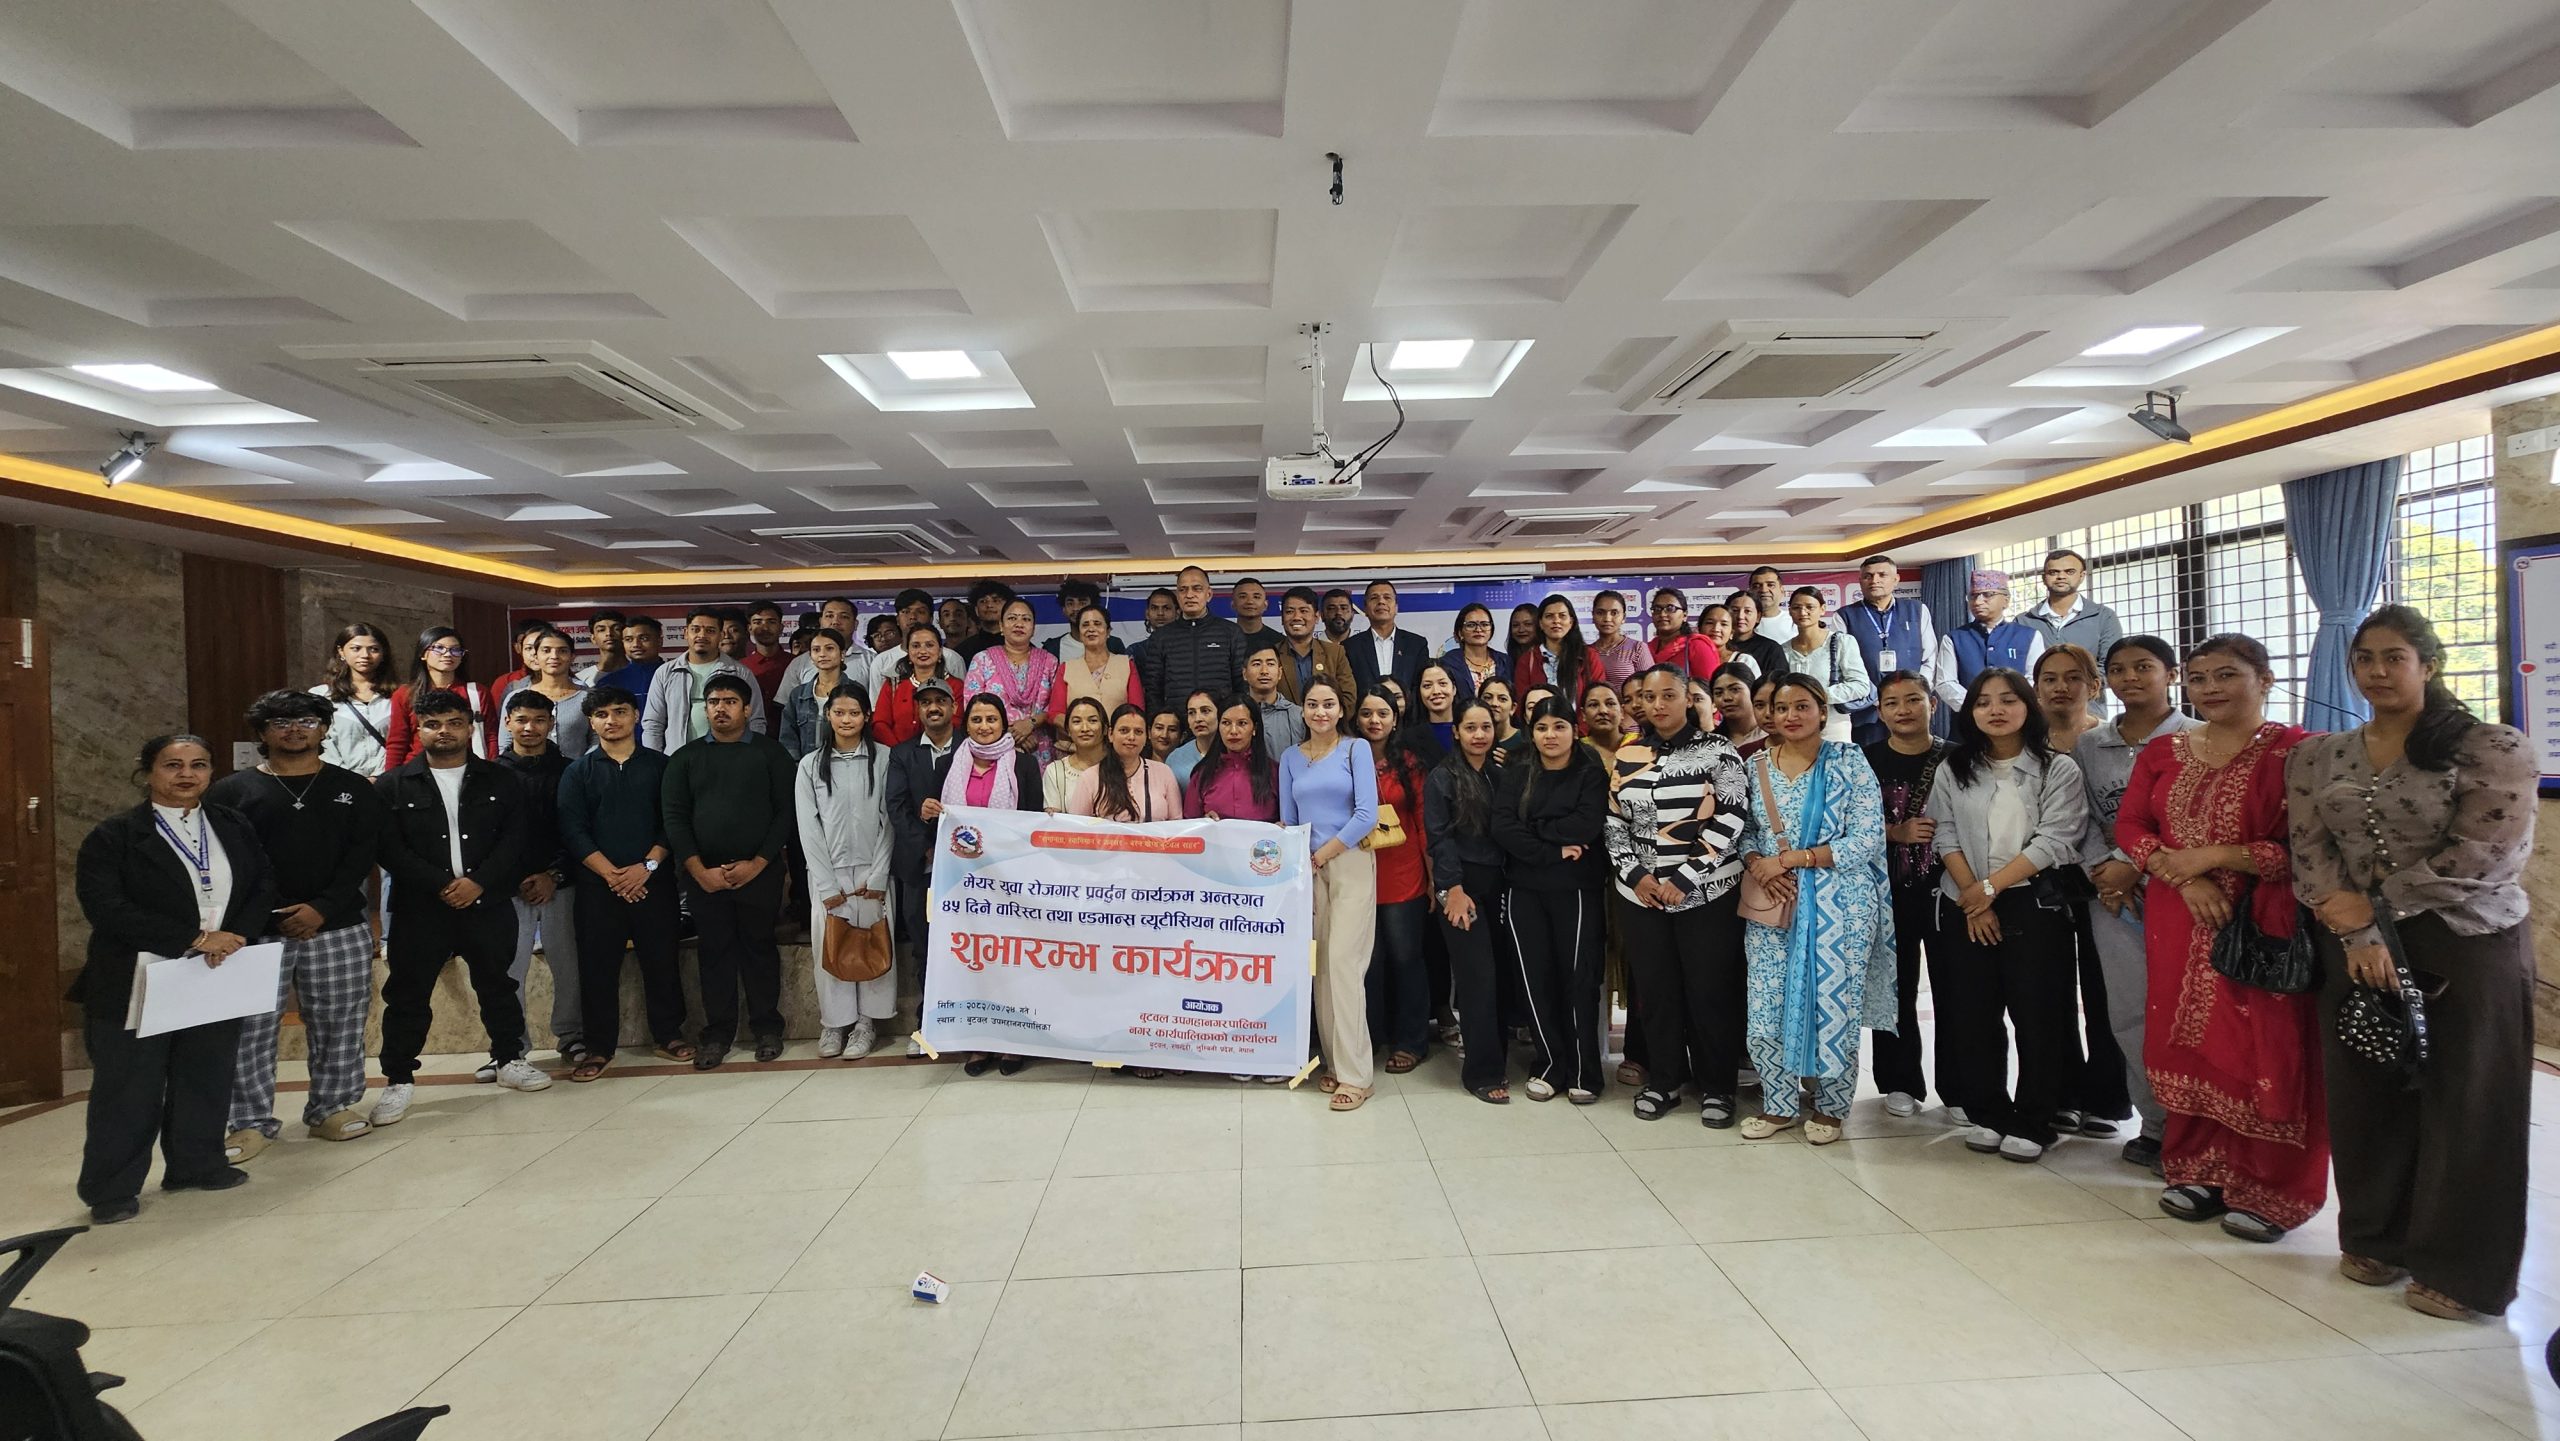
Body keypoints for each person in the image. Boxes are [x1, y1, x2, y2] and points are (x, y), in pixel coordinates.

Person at [2289, 605, 2537, 1320]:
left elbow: (2486, 855)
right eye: (2364, 658)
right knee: (2367, 1089)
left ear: (2428, 664)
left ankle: (2461, 1270)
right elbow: (2309, 849)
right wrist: (2356, 932)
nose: (2376, 671)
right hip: (2352, 943)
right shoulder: (2319, 754)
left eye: (2393, 657)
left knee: (2469, 1100)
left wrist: (2376, 907)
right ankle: (2376, 1238)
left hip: (2462, 938)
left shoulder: (2489, 746)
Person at [2117, 633, 2323, 1242]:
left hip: (2264, 920)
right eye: (2200, 677)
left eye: (2227, 675)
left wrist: (2217, 856)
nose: (2210, 688)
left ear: (2265, 679)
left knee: (2264, 1047)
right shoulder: (2165, 752)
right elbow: (2132, 825)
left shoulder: (2300, 752)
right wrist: (2181, 874)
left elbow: (2312, 846)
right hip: (2178, 916)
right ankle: (2200, 1168)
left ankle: (2273, 1188)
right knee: (2186, 1039)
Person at [72, 733, 276, 1223]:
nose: (187, 775)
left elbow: (262, 883)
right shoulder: (115, 835)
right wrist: (194, 937)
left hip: (216, 969)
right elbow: (107, 908)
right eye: (173, 765)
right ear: (148, 772)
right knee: (130, 1087)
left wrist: (236, 936)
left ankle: (196, 1165)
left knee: (206, 1073)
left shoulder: (232, 823)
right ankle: (111, 1190)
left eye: (199, 765)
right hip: (139, 976)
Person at [206, 691, 383, 1158]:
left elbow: (361, 856)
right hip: (253, 930)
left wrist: (321, 907)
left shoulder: (353, 787)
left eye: (306, 720)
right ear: (262, 733)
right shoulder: (231, 792)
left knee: (339, 1020)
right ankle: (249, 1122)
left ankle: (332, 1107)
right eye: (280, 722)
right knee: (250, 1027)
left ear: (323, 729)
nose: (294, 729)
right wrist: (265, 914)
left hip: (336, 923)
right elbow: (227, 863)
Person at [1925, 668, 2091, 1162]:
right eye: (1983, 702)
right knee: (1974, 1014)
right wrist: (1973, 895)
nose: (1995, 710)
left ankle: (2036, 1119)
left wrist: (1990, 888)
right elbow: (1943, 833)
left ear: (2028, 705)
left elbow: (2056, 839)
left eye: (2008, 699)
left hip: (2031, 901)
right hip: (1965, 899)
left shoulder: (2058, 768)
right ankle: (1989, 1112)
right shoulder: (1954, 767)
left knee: (2037, 1013)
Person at [373, 688, 544, 1128]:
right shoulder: (394, 785)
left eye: (453, 723)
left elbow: (516, 840)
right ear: (418, 730)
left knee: (498, 984)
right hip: (420, 908)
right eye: (432, 725)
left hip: (487, 902)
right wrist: (442, 884)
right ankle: (398, 1079)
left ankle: (509, 1058)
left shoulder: (503, 781)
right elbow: (389, 848)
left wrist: (478, 882)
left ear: (470, 728)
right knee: (407, 994)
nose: (443, 732)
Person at [1737, 673, 1894, 1144]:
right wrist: (1759, 864)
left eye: (1802, 706)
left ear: (1823, 711)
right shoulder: (1756, 767)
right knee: (1766, 1006)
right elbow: (1746, 832)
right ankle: (1778, 1103)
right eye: (1781, 708)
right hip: (1775, 902)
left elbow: (1867, 838)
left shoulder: (1849, 761)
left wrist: (1791, 860)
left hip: (1841, 906)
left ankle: (1831, 1107)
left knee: (1833, 1005)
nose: (1791, 716)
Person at [1609, 664, 1750, 1126]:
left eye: (1668, 695)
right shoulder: (1629, 753)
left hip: (1706, 894)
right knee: (1657, 991)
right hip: (1642, 897)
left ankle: (1718, 1086)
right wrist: (1635, 875)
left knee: (1709, 991)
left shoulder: (1718, 751)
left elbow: (1731, 818)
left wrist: (1685, 877)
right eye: (1649, 697)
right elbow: (1614, 821)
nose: (1657, 705)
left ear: (1688, 699)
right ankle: (1665, 1079)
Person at [2076, 636, 2196, 1172]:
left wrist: (2135, 863)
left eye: (2143, 667)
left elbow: (2192, 820)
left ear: (2172, 674)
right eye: (2119, 669)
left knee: (2187, 1009)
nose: (2130, 678)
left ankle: (2198, 1128)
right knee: (2129, 1010)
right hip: (2111, 896)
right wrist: (2105, 871)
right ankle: (2156, 1124)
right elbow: (2079, 816)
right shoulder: (2091, 744)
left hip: (2181, 889)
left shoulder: (2196, 739)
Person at [557, 684, 690, 1079]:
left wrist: (645, 868)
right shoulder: (578, 771)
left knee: (662, 961)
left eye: (619, 712)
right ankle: (598, 1047)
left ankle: (669, 1035)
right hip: (598, 888)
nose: (611, 721)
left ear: (635, 716)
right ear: (591, 722)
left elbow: (673, 822)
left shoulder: (662, 766)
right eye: (601, 715)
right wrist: (611, 875)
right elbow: (572, 828)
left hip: (653, 882)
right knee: (597, 967)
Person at [663, 672, 796, 1068]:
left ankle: (767, 1029)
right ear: (705, 710)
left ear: (747, 709)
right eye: (714, 702)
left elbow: (785, 813)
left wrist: (758, 863)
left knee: (759, 949)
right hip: (704, 876)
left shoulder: (770, 754)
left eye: (730, 702)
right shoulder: (685, 758)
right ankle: (717, 1034)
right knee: (714, 953)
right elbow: (675, 818)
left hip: (760, 872)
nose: (721, 709)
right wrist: (698, 870)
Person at [1493, 695, 1610, 1103]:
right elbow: (1503, 826)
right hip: (1524, 888)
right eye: (1542, 728)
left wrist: (1535, 828)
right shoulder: (1518, 772)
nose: (1550, 735)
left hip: (1576, 889)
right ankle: (1548, 1065)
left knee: (1578, 980)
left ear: (1574, 730)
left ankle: (1583, 1071)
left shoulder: (1590, 772)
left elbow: (1586, 824)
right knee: (1534, 980)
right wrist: (1553, 849)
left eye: (1559, 726)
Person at [933, 694, 1046, 1076]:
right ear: (966, 724)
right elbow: (935, 817)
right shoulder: (948, 764)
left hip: (1010, 881)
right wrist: (928, 811)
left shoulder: (1024, 764)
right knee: (975, 959)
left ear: (1003, 723)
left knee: (1011, 959)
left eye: (992, 719)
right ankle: (980, 1040)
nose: (984, 726)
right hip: (963, 884)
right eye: (977, 719)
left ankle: (1014, 1041)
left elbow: (1032, 820)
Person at [1279, 680, 1379, 1110]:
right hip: (1309, 869)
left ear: (1341, 711)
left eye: (1329, 704)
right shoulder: (1290, 758)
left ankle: (1358, 1076)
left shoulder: (1356, 750)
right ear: (1302, 710)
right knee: (1320, 964)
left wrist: (1325, 852)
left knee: (1344, 963)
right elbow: (1288, 819)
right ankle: (1337, 1065)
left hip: (1349, 860)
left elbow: (1366, 814)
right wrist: (1300, 855)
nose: (1320, 711)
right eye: (1312, 704)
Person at [795, 683, 895, 1061]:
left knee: (874, 944)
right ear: (828, 716)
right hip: (830, 872)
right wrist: (826, 883)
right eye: (839, 713)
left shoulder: (883, 759)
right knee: (832, 946)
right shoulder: (810, 765)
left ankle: (867, 1023)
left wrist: (879, 876)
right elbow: (808, 827)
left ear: (867, 716)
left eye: (854, 713)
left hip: (872, 871)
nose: (847, 720)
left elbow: (890, 821)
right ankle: (834, 1023)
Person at [1864, 671, 1948, 1119]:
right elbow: (1846, 825)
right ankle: (1899, 1081)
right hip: (1886, 895)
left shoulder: (1957, 758)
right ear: (1879, 712)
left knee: (1959, 990)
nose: (1903, 710)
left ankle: (1962, 1088)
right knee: (1894, 989)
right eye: (1892, 703)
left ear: (1932, 704)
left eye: (1913, 699)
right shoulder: (1865, 759)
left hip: (1949, 894)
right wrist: (1894, 833)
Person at [1425, 700, 1509, 1102]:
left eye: (1486, 727)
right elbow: (1439, 837)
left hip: (1503, 884)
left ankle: (1499, 1059)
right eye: (1470, 727)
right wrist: (1452, 889)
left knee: (1501, 977)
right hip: (1461, 887)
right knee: (1477, 979)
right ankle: (1481, 1073)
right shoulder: (1442, 777)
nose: (1479, 735)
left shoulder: (1501, 774)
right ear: (1456, 732)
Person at [497, 689, 582, 1073]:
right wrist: (515, 877)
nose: (529, 727)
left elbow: (577, 830)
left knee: (568, 966)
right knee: (509, 971)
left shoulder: (570, 771)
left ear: (551, 724)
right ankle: (509, 1049)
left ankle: (573, 1037)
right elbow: (488, 836)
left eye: (539, 720)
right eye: (521, 720)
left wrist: (554, 874)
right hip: (508, 889)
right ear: (508, 722)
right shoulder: (490, 775)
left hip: (561, 884)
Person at [1352, 685, 1434, 1074]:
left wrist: (1434, 877)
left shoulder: (1410, 763)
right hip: (1356, 872)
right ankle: (1371, 1036)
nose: (1374, 721)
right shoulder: (1343, 759)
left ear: (1395, 718)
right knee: (1368, 962)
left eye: (1382, 713)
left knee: (1406, 958)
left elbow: (1424, 820)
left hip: (1403, 873)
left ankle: (1412, 1040)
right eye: (1366, 713)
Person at [882, 678, 958, 1039]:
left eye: (940, 700)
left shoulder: (971, 748)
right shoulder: (902, 753)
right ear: (917, 710)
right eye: (925, 702)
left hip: (967, 868)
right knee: (926, 948)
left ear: (953, 706)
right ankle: (928, 1023)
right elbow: (896, 807)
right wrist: (928, 848)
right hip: (921, 866)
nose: (933, 707)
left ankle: (972, 1024)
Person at [1838, 556, 1942, 746]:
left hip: (1911, 708)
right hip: (1868, 711)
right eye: (1868, 576)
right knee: (1871, 760)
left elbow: (1930, 658)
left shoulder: (1916, 610)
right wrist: (1877, 698)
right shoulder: (1845, 615)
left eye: (1882, 575)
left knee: (1915, 757)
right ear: (1860, 581)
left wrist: (1916, 692)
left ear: (1896, 579)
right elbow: (1841, 665)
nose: (1874, 580)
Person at [642, 608, 768, 751]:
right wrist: (656, 759)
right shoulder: (665, 673)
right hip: (677, 758)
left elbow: (756, 721)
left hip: (727, 758)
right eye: (695, 630)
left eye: (710, 631)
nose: (702, 635)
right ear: (686, 633)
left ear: (721, 635)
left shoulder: (740, 673)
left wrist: (748, 755)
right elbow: (653, 724)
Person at [2020, 551, 2121, 716]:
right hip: (2039, 716)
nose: (2061, 576)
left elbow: (2111, 666)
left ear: (2082, 576)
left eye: (2069, 571)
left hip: (2090, 714)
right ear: (2044, 578)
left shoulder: (2103, 616)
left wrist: (2077, 686)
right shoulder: (2024, 621)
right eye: (2054, 572)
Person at [963, 596, 1066, 758]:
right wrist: (1010, 733)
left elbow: (1056, 706)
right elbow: (972, 706)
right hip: (995, 744)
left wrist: (1030, 724)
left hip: (1039, 746)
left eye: (1026, 619)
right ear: (1001, 626)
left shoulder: (1049, 662)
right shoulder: (982, 660)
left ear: (1033, 628)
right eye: (1012, 618)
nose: (1019, 624)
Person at [1139, 565, 1245, 713]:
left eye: (1197, 589)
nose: (1189, 595)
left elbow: (1241, 684)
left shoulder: (1230, 632)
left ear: (1209, 594)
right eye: (1183, 590)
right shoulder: (1161, 637)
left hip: (1220, 720)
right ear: (1177, 596)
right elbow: (1153, 690)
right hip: (1176, 722)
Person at [1935, 570, 2045, 711]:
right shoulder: (1954, 638)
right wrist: (1976, 705)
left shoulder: (2029, 636)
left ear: (2006, 600)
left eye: (1987, 595)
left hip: (2017, 716)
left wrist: (2010, 704)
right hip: (1968, 718)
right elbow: (1945, 682)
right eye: (1973, 596)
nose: (1978, 602)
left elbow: (2035, 678)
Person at [383, 626, 495, 766]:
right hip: (418, 769)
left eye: (455, 650)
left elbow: (490, 736)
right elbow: (397, 742)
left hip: (465, 768)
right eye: (439, 648)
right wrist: (391, 776)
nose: (448, 654)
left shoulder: (477, 692)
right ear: (423, 654)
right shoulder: (405, 694)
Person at [1778, 587, 1874, 743]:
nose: (1803, 612)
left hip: (1833, 726)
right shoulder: (1783, 650)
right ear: (1789, 611)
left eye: (1810, 607)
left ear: (1822, 609)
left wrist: (1819, 695)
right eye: (1796, 607)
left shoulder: (1842, 642)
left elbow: (1861, 685)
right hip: (1794, 726)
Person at [1069, 703, 1183, 822]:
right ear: (1110, 734)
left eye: (1138, 732)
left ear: (1147, 736)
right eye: (1124, 731)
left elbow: (1177, 823)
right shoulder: (1090, 777)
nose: (1131, 737)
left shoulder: (1164, 773)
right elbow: (1075, 826)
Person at [314, 621, 398, 777]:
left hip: (388, 781)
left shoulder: (399, 695)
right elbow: (320, 742)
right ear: (341, 652)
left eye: (373, 649)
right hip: (337, 780)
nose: (365, 655)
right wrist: (351, 779)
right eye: (356, 648)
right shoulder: (321, 695)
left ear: (383, 654)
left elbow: (403, 743)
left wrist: (381, 776)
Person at [1187, 695, 1279, 822]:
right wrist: (1203, 821)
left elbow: (1288, 821)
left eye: (1242, 723)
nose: (1233, 731)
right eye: (1226, 723)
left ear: (1255, 728)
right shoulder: (1202, 774)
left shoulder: (1275, 772)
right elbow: (1189, 824)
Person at [504, 626, 591, 758]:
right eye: (546, 650)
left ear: (572, 657)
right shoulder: (516, 696)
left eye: (562, 651)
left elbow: (596, 740)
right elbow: (505, 742)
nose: (554, 656)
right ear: (536, 656)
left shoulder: (588, 697)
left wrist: (581, 767)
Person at [873, 622, 959, 748]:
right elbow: (880, 724)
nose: (922, 651)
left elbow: (957, 723)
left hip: (944, 753)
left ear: (940, 651)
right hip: (896, 754)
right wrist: (900, 752)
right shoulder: (893, 685)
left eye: (929, 645)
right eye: (916, 646)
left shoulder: (955, 686)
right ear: (908, 652)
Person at [781, 626, 860, 760]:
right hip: (805, 766)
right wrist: (796, 765)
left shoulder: (856, 691)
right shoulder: (798, 694)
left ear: (842, 654)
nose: (822, 654)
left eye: (829, 648)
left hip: (845, 762)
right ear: (811, 656)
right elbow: (788, 737)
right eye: (816, 650)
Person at [1512, 593, 1604, 706]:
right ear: (1540, 623)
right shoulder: (1526, 661)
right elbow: (1522, 703)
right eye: (1549, 616)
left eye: (1562, 616)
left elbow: (1599, 698)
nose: (1556, 621)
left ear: (1571, 622)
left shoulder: (1589, 656)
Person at [1275, 586, 1355, 705]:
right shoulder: (1272, 654)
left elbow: (1349, 698)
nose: (1296, 617)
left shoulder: (1335, 653)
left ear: (1316, 617)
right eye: (1289, 611)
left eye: (1304, 611)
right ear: (1282, 618)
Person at [1348, 579, 1429, 696]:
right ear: (1365, 609)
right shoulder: (1350, 647)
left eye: (1387, 597)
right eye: (1374, 598)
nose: (1381, 602)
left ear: (1396, 607)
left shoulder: (1416, 644)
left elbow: (1420, 686)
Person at [1061, 603, 1144, 713]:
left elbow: (1136, 710)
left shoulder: (1126, 665)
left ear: (1108, 631)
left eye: (1097, 624)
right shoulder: (1066, 668)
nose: (1091, 629)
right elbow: (1056, 713)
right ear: (1080, 633)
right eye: (1085, 625)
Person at [1241, 637, 1307, 763]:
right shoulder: (1234, 715)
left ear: (1280, 672)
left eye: (1270, 664)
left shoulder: (1299, 716)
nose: (1264, 671)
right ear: (1244, 673)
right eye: (1256, 664)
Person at [739, 600, 799, 733]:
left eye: (771, 622)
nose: (765, 628)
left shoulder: (797, 664)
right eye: (757, 622)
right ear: (749, 628)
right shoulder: (740, 667)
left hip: (791, 735)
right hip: (751, 736)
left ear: (781, 627)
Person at [1043, 696, 1111, 811]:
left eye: (1092, 721)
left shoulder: (1122, 767)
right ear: (1068, 730)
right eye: (1077, 722)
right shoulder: (1055, 771)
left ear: (1105, 729)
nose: (1085, 728)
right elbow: (1054, 819)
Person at [2035, 643, 2104, 752]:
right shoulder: (2024, 740)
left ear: (2094, 687)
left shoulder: (2112, 736)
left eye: (2073, 678)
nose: (2060, 688)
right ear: (2037, 689)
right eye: (2050, 679)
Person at [1646, 588, 1722, 682]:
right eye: (1657, 609)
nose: (1662, 614)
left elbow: (1709, 685)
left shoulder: (1696, 646)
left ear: (1685, 615)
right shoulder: (1647, 649)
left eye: (1670, 608)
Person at [1444, 602, 1510, 708]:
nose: (1478, 630)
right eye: (1471, 625)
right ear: (1460, 632)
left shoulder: (1505, 661)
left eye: (1484, 624)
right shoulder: (1447, 663)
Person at [1586, 590, 1653, 687]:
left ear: (1623, 617)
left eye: (1614, 613)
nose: (1607, 619)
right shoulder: (1585, 653)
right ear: (1593, 616)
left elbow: (1651, 686)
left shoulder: (1637, 648)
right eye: (1600, 613)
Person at [1042, 579, 1124, 658]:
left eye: (1082, 603)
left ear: (1093, 608)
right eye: (1070, 603)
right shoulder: (1053, 647)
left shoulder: (1113, 644)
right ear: (1064, 609)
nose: (1076, 608)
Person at [1723, 592, 1789, 682]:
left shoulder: (1771, 649)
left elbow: (1780, 683)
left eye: (1747, 611)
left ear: (1758, 616)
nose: (1740, 616)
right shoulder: (1718, 645)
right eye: (1735, 610)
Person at [1709, 662, 1769, 758]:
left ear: (1753, 691)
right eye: (1719, 693)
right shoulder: (1711, 744)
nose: (1727, 697)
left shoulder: (1771, 735)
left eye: (1735, 689)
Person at [595, 615, 664, 694]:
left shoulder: (673, 676)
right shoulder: (608, 683)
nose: (636, 644)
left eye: (644, 638)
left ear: (659, 641)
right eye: (628, 639)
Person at [1165, 687, 1219, 787]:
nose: (1198, 719)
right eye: (1191, 713)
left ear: (1220, 714)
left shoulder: (1231, 751)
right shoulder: (1175, 758)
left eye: (1205, 711)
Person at [487, 619, 547, 702]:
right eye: (529, 647)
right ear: (517, 647)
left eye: (539, 644)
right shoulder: (506, 682)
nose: (534, 652)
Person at [1412, 661, 1460, 760]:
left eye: (1442, 684)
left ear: (1454, 689)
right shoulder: (1409, 738)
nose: (1436, 691)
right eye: (1427, 686)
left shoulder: (1471, 730)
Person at [956, 580, 1014, 661]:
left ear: (1008, 607)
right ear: (976, 610)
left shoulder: (1019, 646)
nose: (989, 605)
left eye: (996, 601)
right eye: (983, 601)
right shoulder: (963, 650)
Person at [1124, 586, 1176, 673]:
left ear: (1177, 613)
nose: (1160, 613)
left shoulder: (1188, 648)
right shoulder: (1135, 651)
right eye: (1154, 608)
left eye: (1166, 608)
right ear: (1147, 614)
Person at [575, 609, 625, 686]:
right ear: (593, 638)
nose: (609, 633)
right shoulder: (581, 679)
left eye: (616, 629)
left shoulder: (640, 672)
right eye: (601, 630)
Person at [1230, 575, 1275, 642]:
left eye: (1256, 597)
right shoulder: (1221, 640)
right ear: (1233, 604)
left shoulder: (1279, 642)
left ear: (1265, 605)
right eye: (1243, 597)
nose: (1250, 601)